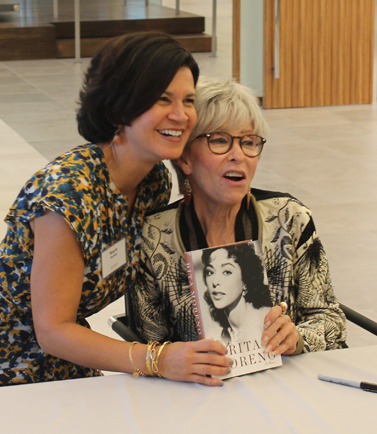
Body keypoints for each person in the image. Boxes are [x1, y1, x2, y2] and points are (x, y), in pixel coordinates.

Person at [0, 32, 232, 392]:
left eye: (189, 100)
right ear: (121, 106)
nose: (181, 115)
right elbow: (53, 330)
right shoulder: (69, 195)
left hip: (60, 352)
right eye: (162, 99)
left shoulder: (153, 182)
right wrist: (157, 359)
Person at [131, 77, 347, 367]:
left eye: (248, 142)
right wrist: (175, 360)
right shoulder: (153, 237)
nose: (238, 156)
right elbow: (148, 347)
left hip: (289, 389)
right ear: (185, 159)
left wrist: (297, 338)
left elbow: (330, 320)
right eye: (219, 140)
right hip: (196, 396)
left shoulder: (288, 218)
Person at [200, 243, 271, 347]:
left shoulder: (265, 322)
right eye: (210, 272)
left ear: (245, 280)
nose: (215, 282)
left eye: (227, 272)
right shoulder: (224, 334)